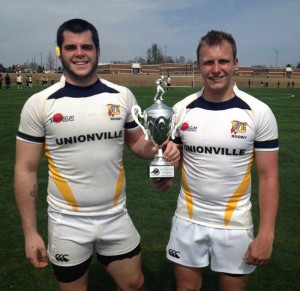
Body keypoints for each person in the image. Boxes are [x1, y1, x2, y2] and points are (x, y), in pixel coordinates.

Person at [14, 18, 179, 291]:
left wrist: (161, 148)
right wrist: (30, 233)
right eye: (71, 47)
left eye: (86, 46)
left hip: (114, 215)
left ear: (98, 52)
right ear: (60, 52)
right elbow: (25, 169)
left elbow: (138, 142)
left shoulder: (121, 96)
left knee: (134, 284)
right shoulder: (39, 104)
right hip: (66, 221)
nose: (79, 53)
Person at [153, 30, 279, 290]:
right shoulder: (181, 110)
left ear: (235, 63)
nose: (216, 69)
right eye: (208, 62)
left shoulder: (258, 113)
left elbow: (269, 176)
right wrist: (165, 171)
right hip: (188, 219)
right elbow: (169, 166)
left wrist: (267, 233)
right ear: (198, 66)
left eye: (223, 61)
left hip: (235, 224)